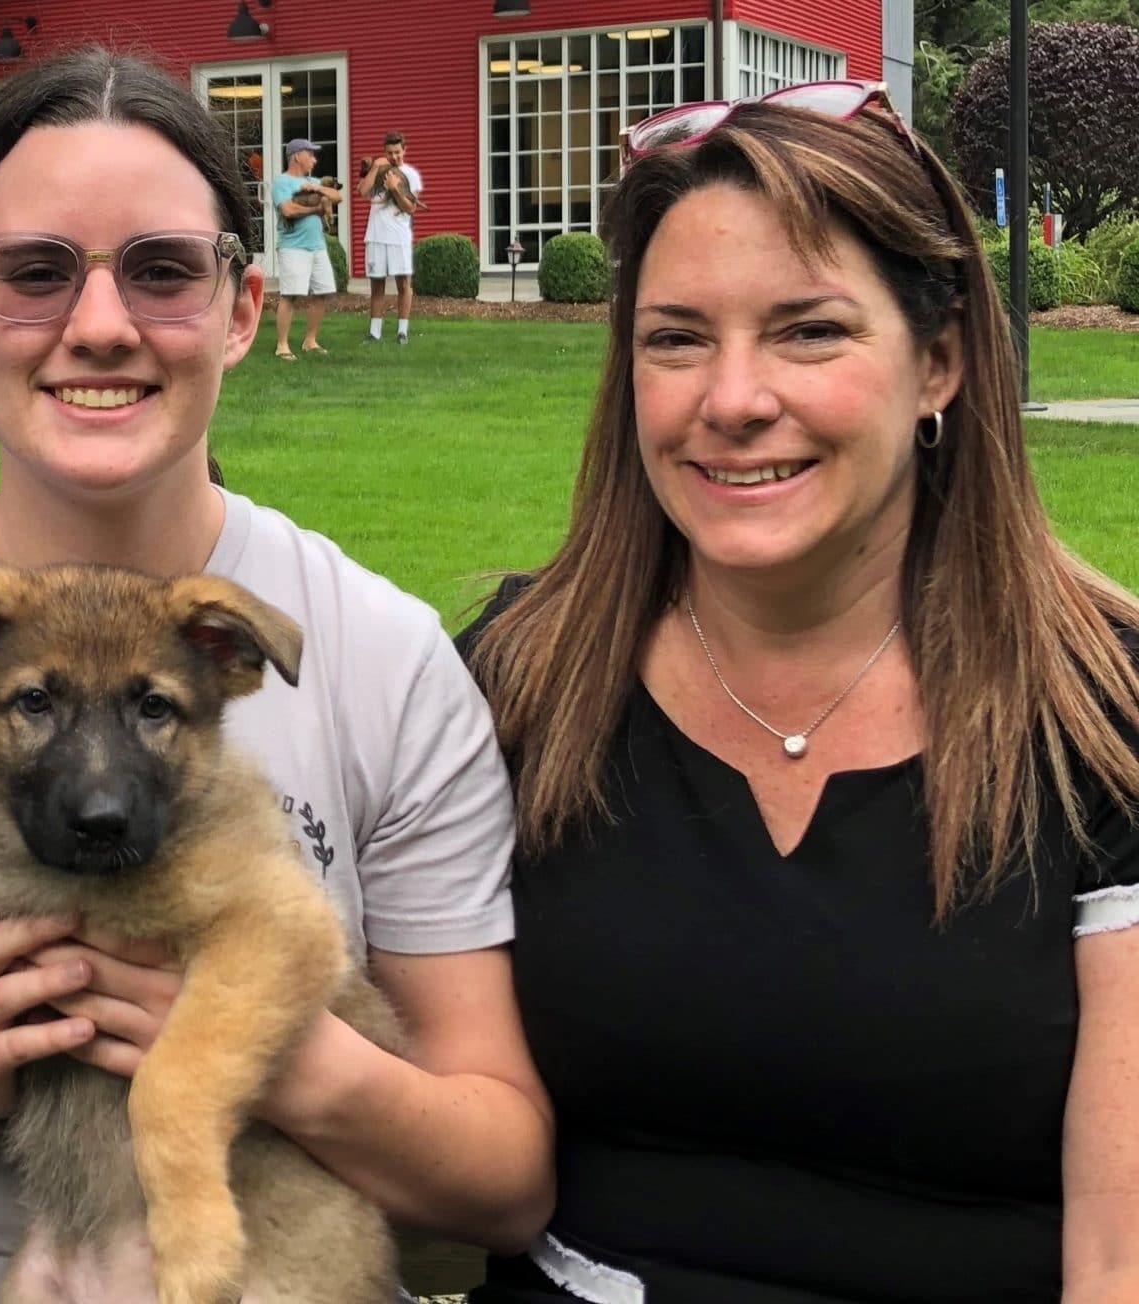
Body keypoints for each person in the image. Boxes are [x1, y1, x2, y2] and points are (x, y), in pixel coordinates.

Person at [0, 48, 554, 1302]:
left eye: (161, 270)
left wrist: (265, 1066)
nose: (99, 325)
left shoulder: (382, 657)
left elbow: (503, 1175)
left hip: (254, 1257)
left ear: (242, 307)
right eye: (36, 273)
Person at [458, 81, 1139, 1301]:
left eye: (807, 330)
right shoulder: (516, 681)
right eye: (675, 338)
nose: (730, 399)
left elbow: (1117, 1259)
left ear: (936, 362)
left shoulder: (1101, 717)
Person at [270, 135, 343, 360]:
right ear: (297, 157)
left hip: (317, 247)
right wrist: (315, 210)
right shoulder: (282, 182)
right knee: (290, 295)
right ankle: (282, 346)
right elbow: (288, 210)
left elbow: (337, 196)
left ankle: (310, 341)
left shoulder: (314, 181)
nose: (314, 159)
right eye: (310, 154)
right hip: (293, 247)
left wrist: (315, 187)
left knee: (322, 292)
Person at [358, 131, 421, 345]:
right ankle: (374, 333)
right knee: (377, 286)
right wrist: (375, 167)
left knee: (403, 285)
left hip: (399, 237)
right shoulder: (379, 170)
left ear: (404, 150)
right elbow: (362, 191)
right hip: (375, 235)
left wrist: (394, 189)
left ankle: (402, 332)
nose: (394, 156)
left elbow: (410, 208)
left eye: (397, 152)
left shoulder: (410, 174)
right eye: (389, 152)